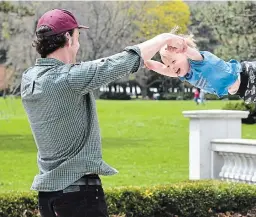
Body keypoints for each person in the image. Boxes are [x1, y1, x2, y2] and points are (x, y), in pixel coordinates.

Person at [20, 9, 187, 217]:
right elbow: (117, 64)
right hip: (78, 197)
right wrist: (164, 38)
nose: (78, 45)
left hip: (48, 198)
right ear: (67, 38)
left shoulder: (29, 79)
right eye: (77, 37)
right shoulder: (68, 79)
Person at [144, 27, 256, 123]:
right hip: (243, 90)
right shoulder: (184, 75)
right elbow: (163, 69)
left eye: (174, 62)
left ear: (183, 53)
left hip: (248, 74)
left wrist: (180, 45)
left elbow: (189, 52)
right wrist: (148, 63)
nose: (172, 68)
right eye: (169, 65)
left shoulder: (198, 59)